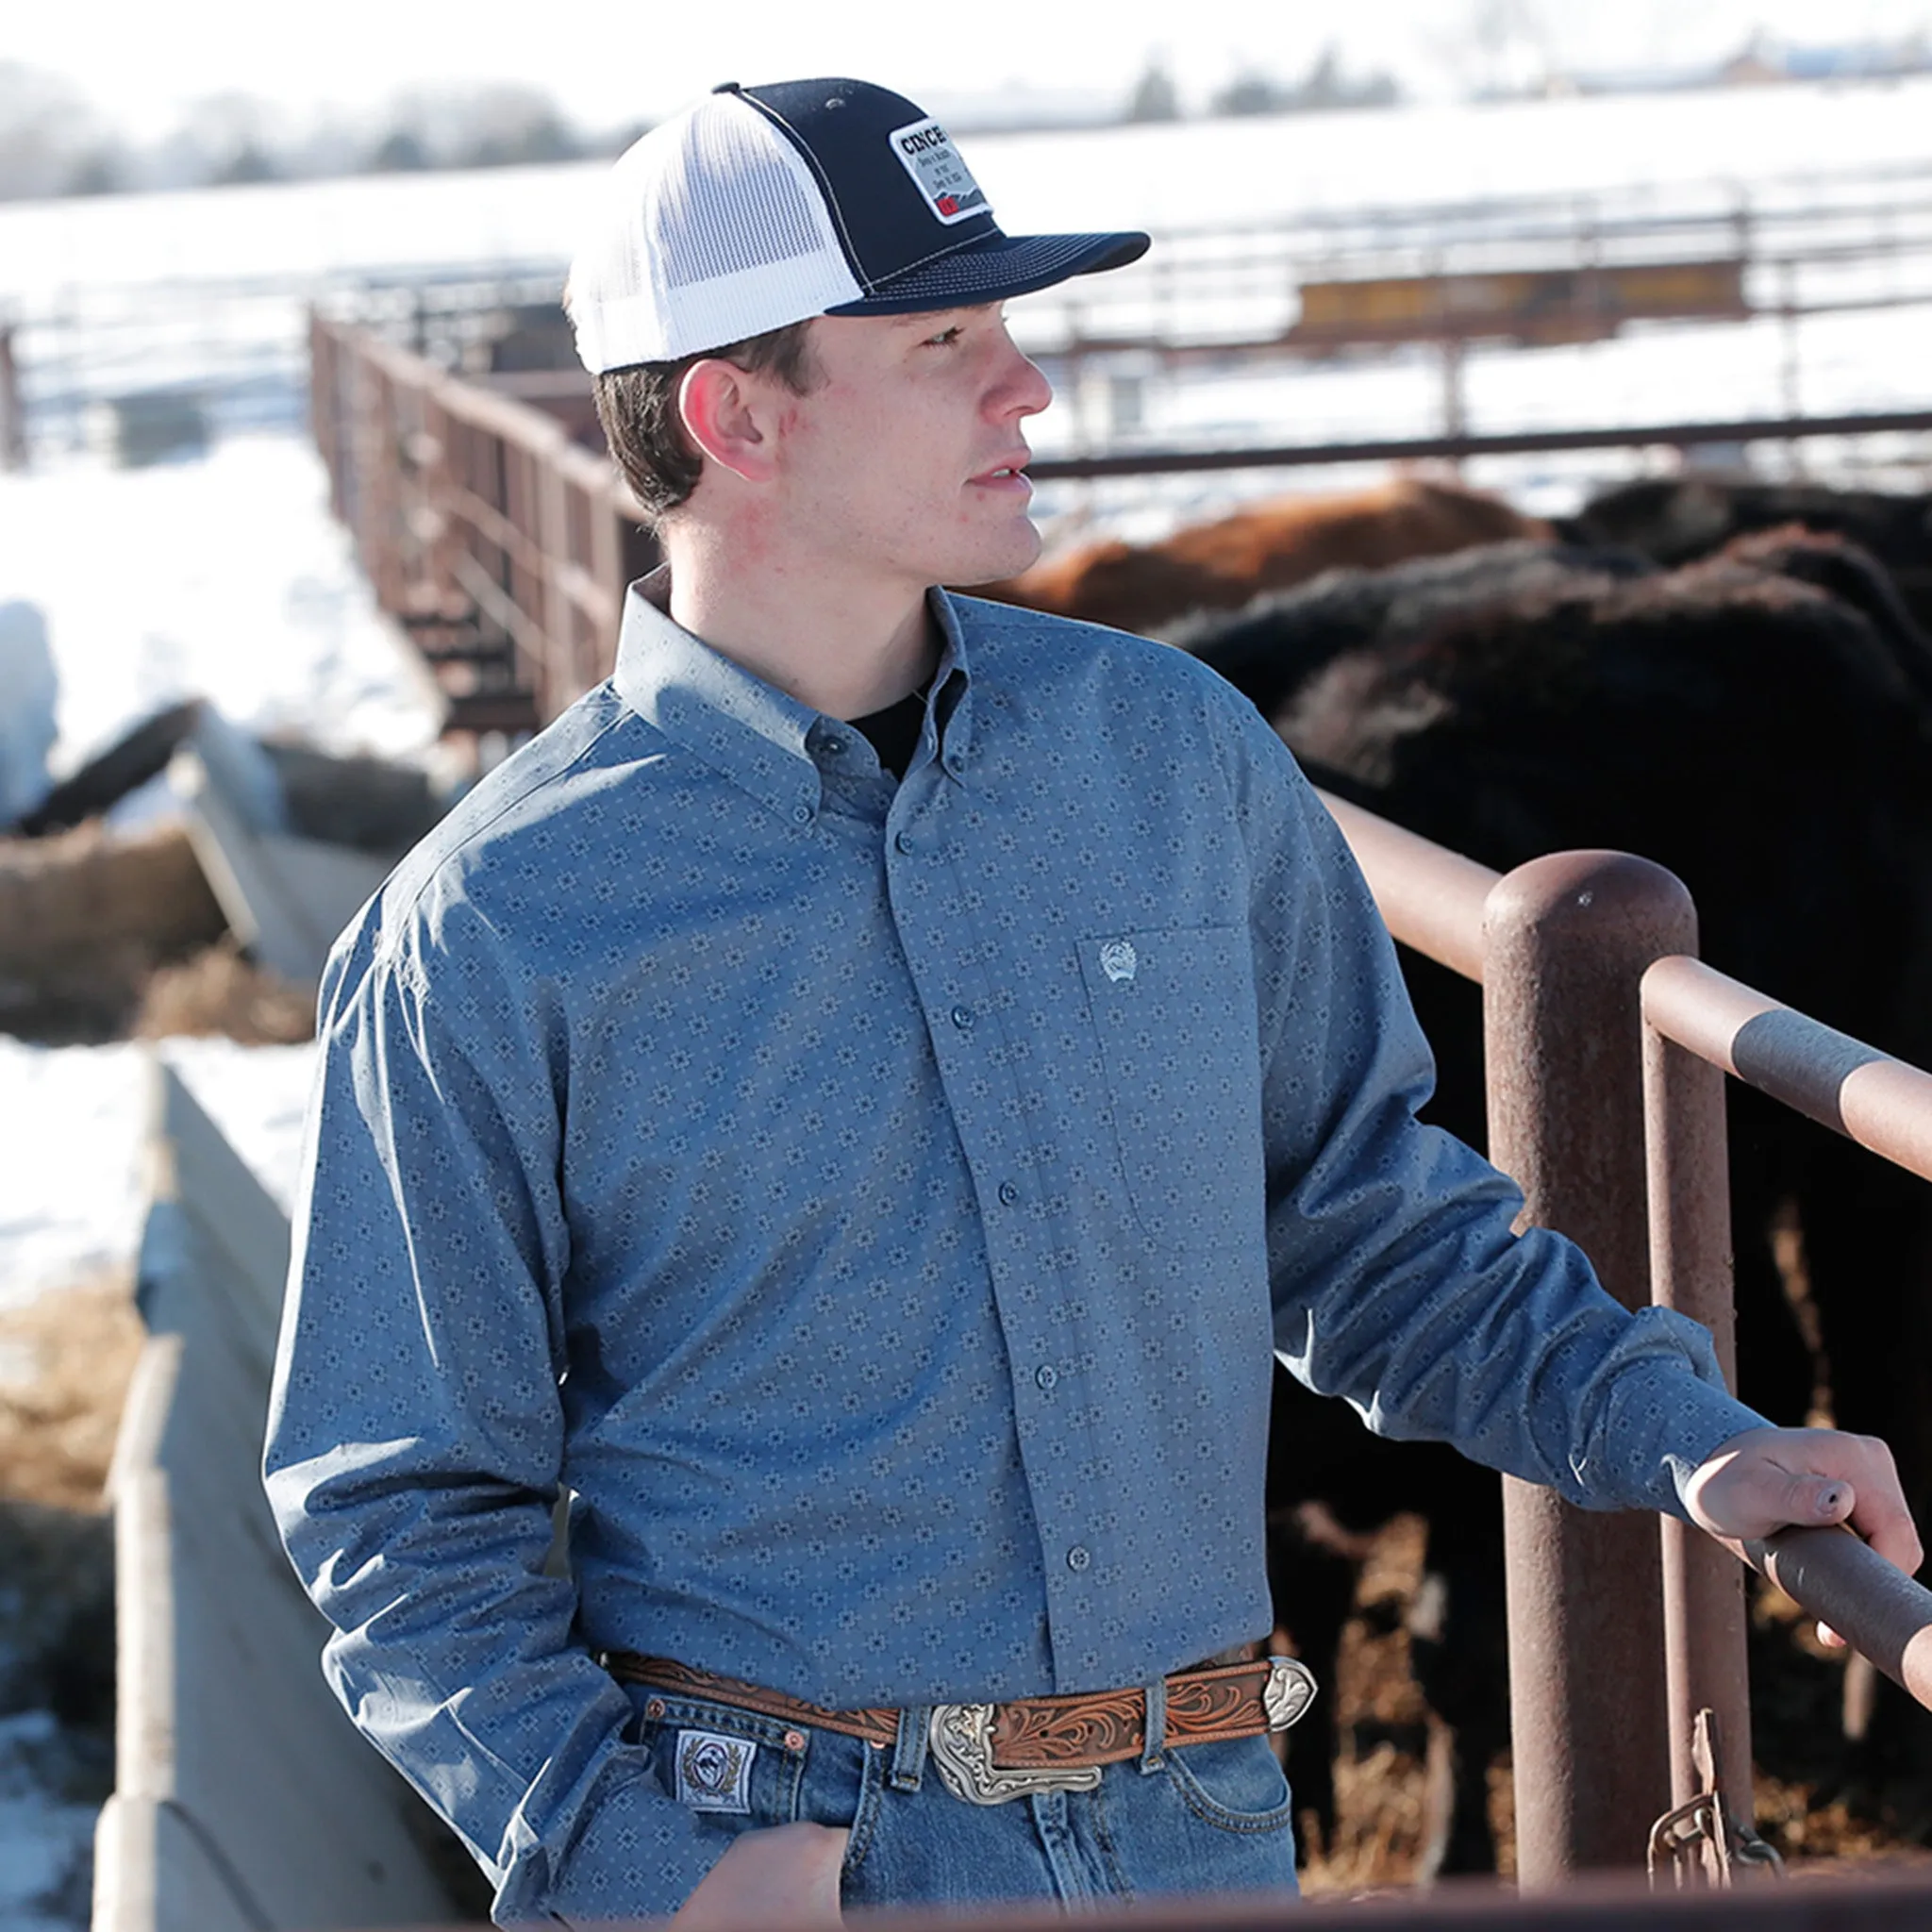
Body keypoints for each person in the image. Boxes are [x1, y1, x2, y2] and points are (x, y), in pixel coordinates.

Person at [263, 76, 1921, 1929]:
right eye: (946, 337)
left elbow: (1365, 1225)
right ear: (738, 414)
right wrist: (651, 1866)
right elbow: (398, 1509)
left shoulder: (1176, 762)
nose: (1027, 385)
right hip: (791, 1852)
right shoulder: (491, 927)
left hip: (1202, 1825)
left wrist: (1685, 1424)